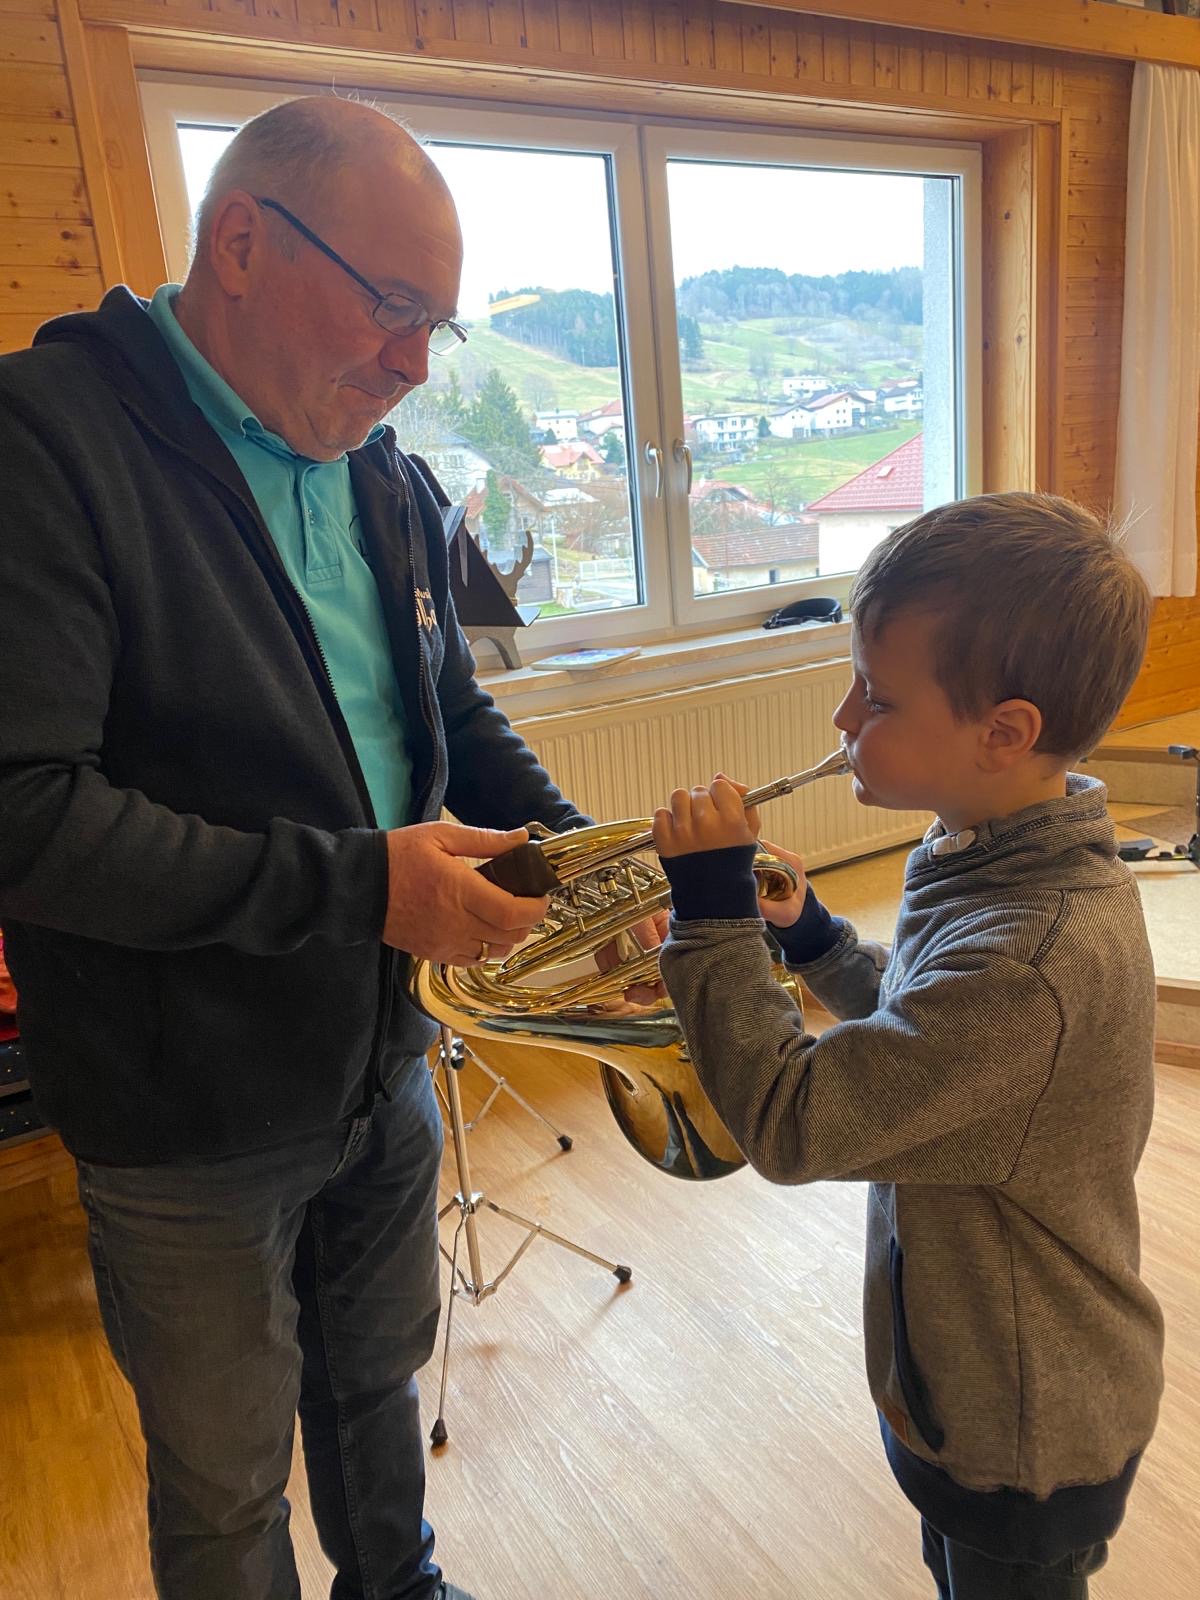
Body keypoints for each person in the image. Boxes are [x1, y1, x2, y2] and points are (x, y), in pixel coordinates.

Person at [0, 94, 607, 1600]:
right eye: (392, 307)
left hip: (374, 1052)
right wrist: (366, 887)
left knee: (373, 1381)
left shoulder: (380, 470)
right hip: (184, 1100)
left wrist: (590, 859)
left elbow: (448, 712)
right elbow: (24, 813)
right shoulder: (41, 443)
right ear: (244, 242)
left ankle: (393, 1586)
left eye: (436, 327)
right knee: (220, 1477)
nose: (413, 364)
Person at [651, 493, 1165, 1600]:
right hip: (965, 1386)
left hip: (1020, 1426)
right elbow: (927, 1032)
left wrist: (710, 918)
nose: (842, 718)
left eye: (876, 696)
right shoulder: (995, 854)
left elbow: (793, 1124)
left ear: (1006, 731)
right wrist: (819, 941)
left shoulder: (1034, 956)